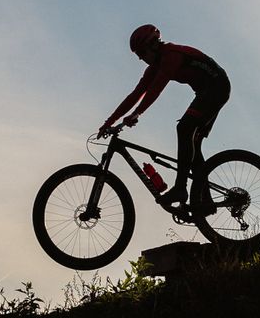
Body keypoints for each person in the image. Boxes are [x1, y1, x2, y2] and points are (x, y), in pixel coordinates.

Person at [99, 25, 231, 219]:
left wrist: (137, 113)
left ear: (153, 45)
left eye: (142, 53)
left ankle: (180, 188)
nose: (141, 58)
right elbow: (136, 94)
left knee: (184, 128)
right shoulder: (154, 66)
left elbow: (155, 90)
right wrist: (108, 122)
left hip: (217, 86)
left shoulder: (171, 55)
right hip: (204, 91)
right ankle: (205, 200)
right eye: (138, 55)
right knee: (192, 144)